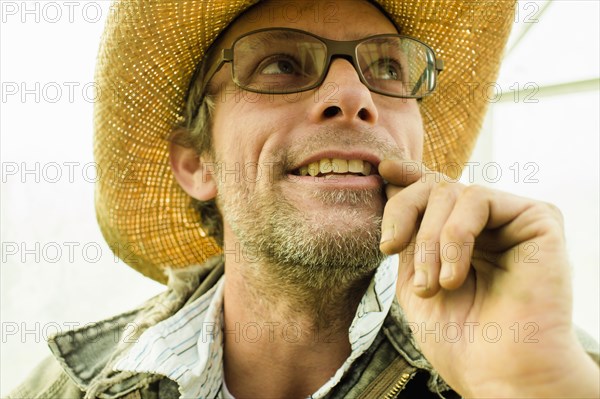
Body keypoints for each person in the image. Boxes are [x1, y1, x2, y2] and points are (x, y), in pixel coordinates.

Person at [9, 0, 600, 398]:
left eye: (388, 68)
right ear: (196, 164)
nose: (352, 94)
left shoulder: (552, 365)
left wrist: (533, 385)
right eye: (281, 64)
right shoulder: (65, 387)